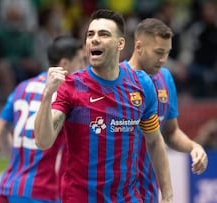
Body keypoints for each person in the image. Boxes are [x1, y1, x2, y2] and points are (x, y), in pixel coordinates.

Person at [34, 9, 173, 203]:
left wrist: (167, 195)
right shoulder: (72, 86)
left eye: (103, 34)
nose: (94, 39)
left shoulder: (141, 84)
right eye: (90, 34)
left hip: (127, 198)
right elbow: (43, 141)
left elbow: (155, 141)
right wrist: (47, 95)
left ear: (120, 44)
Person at [123, 18, 208, 202]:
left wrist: (194, 146)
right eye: (158, 52)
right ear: (139, 47)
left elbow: (171, 132)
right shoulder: (117, 80)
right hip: (116, 194)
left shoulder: (165, 78)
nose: (164, 60)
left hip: (150, 194)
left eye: (167, 53)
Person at [0, 35, 85, 203]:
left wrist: (17, 163)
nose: (84, 68)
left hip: (8, 187)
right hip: (40, 192)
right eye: (80, 61)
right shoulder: (67, 96)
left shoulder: (22, 87)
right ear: (64, 64)